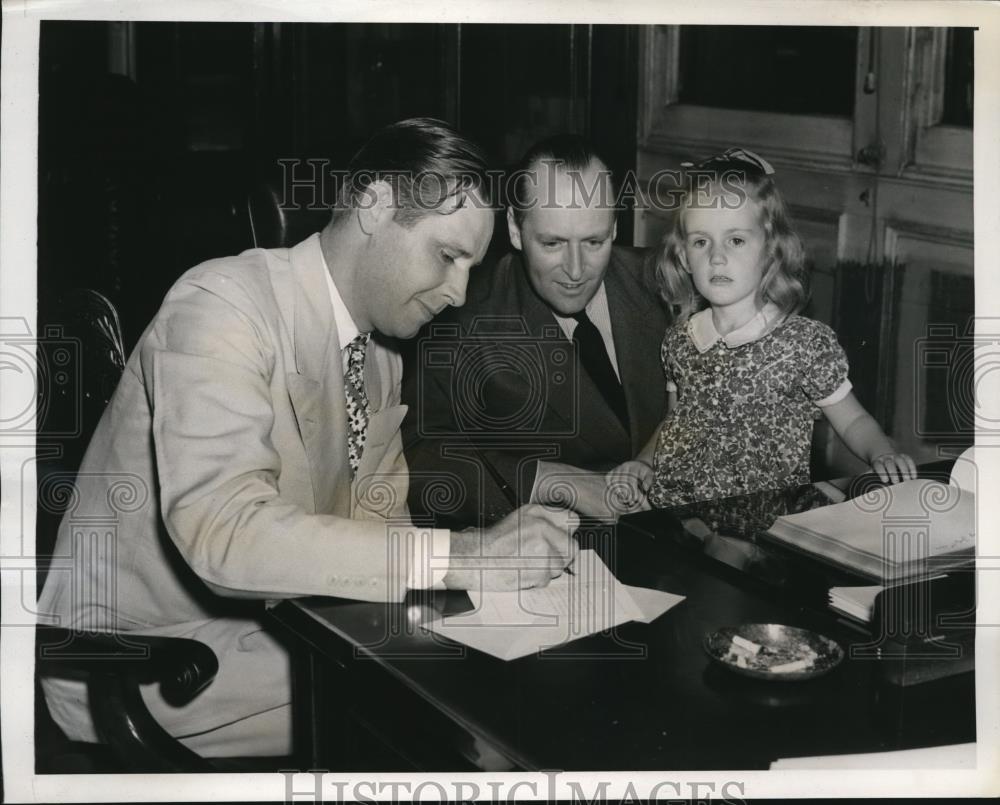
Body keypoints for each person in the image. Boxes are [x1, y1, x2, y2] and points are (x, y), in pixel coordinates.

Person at [37, 118, 579, 759]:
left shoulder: (380, 355)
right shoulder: (218, 305)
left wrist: (491, 584)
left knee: (479, 677)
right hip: (146, 659)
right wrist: (465, 557)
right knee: (456, 720)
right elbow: (227, 531)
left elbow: (383, 532)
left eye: (472, 267)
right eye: (447, 255)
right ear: (376, 205)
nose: (459, 293)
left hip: (272, 624)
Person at [608, 148, 917, 509]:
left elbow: (853, 421)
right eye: (701, 242)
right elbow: (676, 421)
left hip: (765, 518)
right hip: (684, 511)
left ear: (771, 250)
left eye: (736, 240)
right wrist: (644, 462)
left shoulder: (801, 344)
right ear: (683, 257)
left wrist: (882, 453)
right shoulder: (680, 340)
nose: (717, 257)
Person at [401, 134, 670, 528]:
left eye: (594, 241)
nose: (576, 270)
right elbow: (415, 454)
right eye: (552, 243)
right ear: (514, 228)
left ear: (615, 229)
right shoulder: (461, 317)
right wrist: (549, 479)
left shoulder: (667, 283)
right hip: (562, 553)